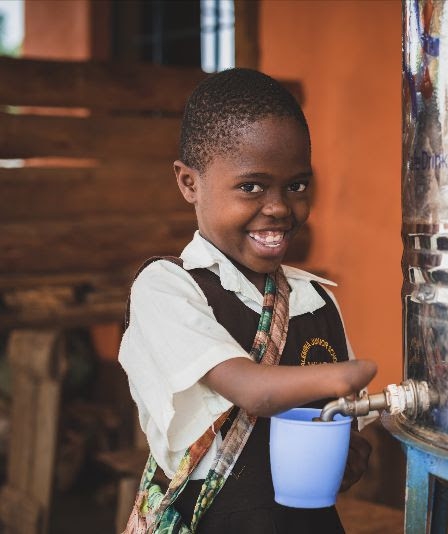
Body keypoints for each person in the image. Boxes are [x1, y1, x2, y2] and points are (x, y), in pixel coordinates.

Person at [119, 68, 377, 533]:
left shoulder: (314, 299)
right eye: (251, 186)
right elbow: (253, 390)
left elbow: (337, 417)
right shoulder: (166, 288)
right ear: (188, 183)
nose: (279, 206)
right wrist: (355, 375)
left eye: (297, 185)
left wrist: (349, 455)